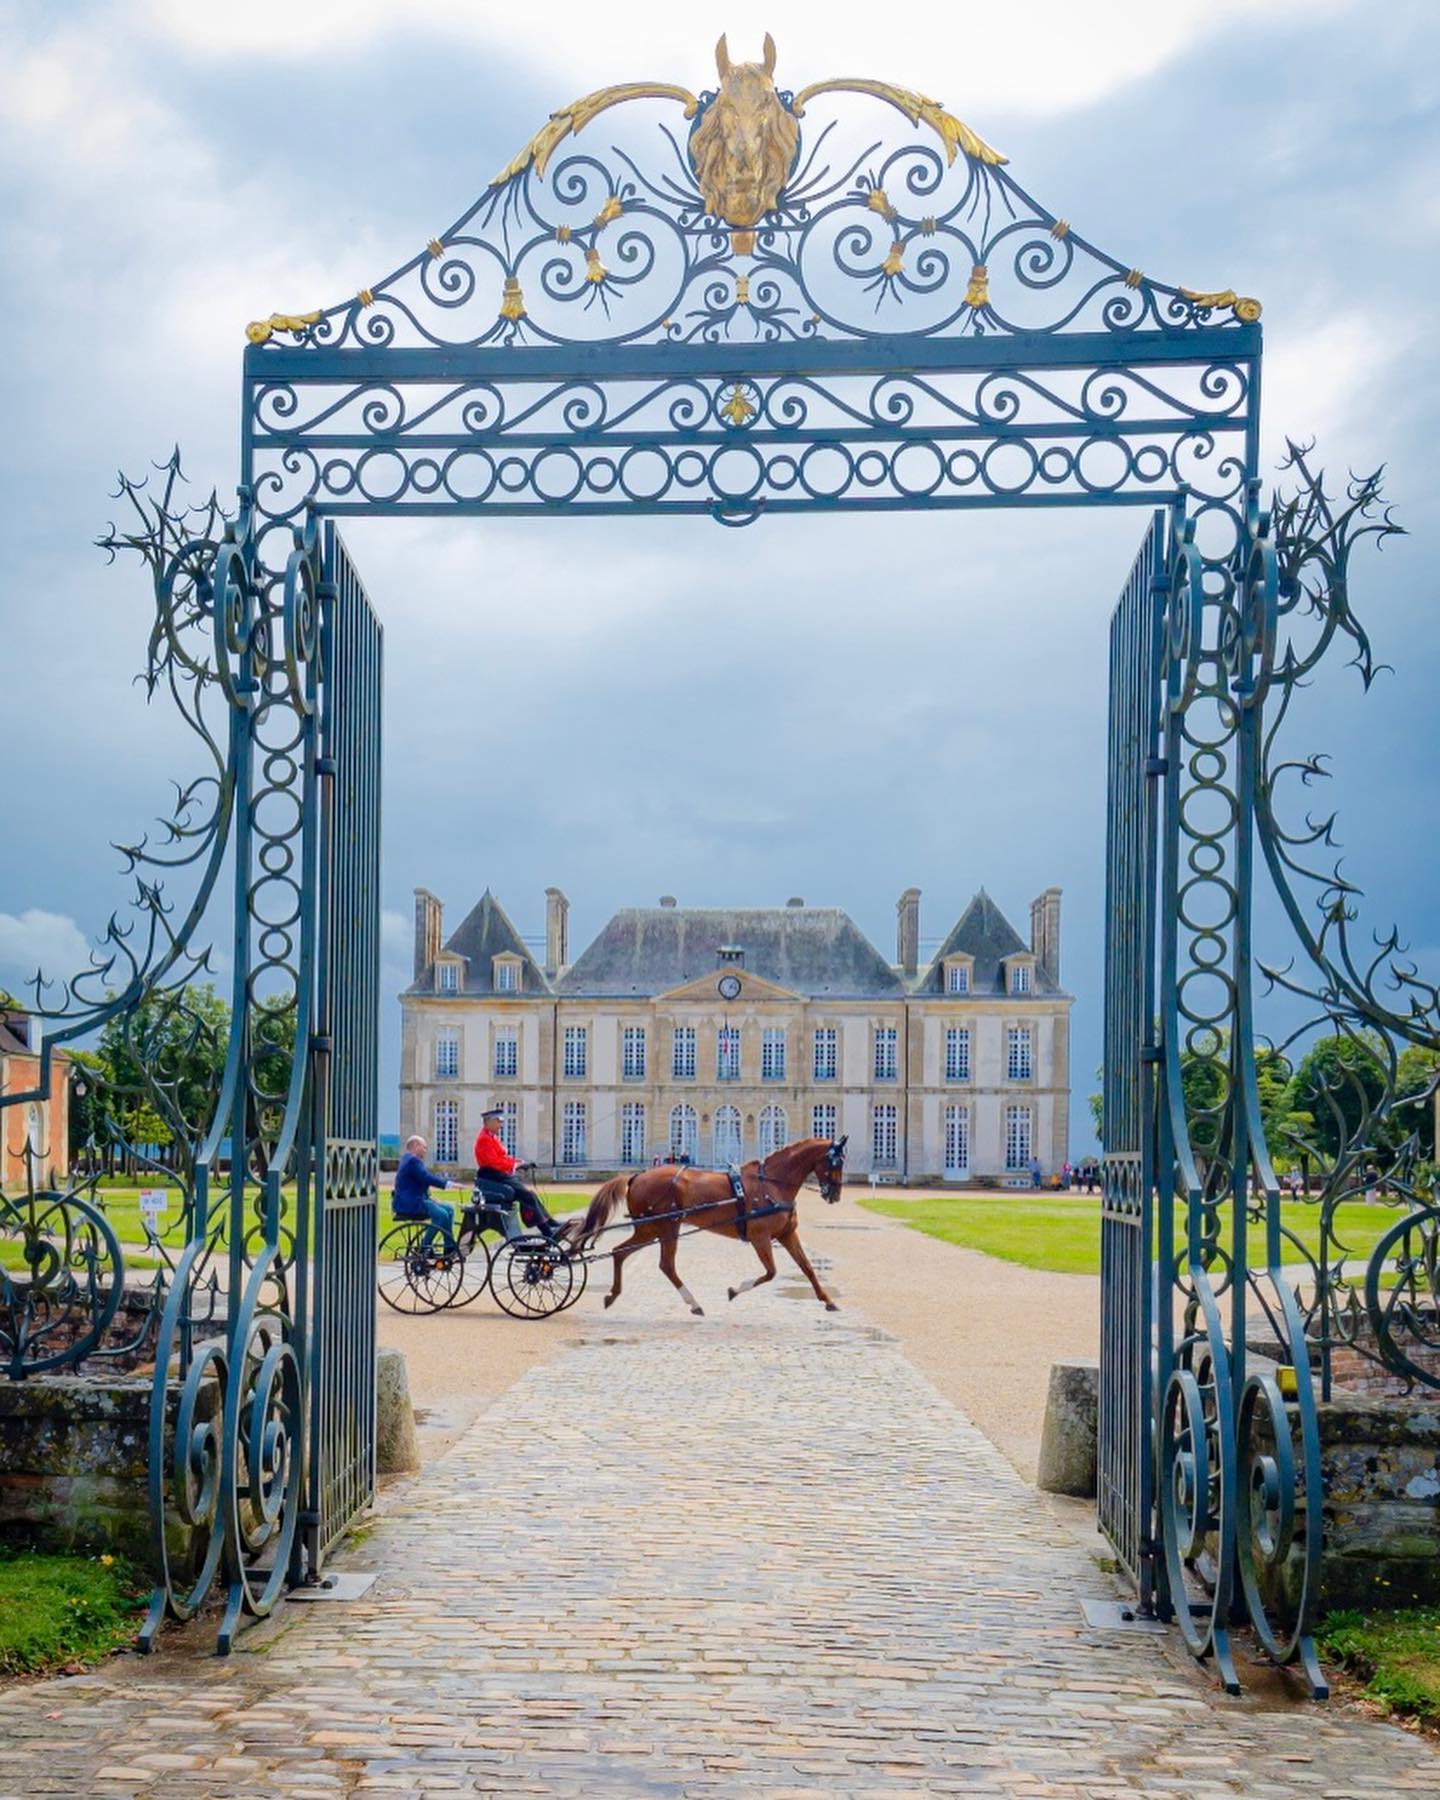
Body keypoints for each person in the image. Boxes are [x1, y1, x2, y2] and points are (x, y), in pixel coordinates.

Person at [473, 1103, 547, 1226]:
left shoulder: (492, 1137)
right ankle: (546, 1229)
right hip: (492, 1175)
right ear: (488, 1122)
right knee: (527, 1195)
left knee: (529, 1195)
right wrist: (516, 1166)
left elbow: (503, 1158)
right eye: (498, 1121)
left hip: (497, 1174)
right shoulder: (484, 1139)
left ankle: (548, 1223)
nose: (501, 1125)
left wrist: (520, 1163)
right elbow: (494, 1162)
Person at [392, 1134, 455, 1256]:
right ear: (415, 1146)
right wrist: (448, 1184)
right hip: (411, 1203)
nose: (426, 1150)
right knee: (441, 1215)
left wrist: (430, 1197)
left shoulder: (408, 1159)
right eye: (424, 1147)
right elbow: (426, 1178)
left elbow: (418, 1181)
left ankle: (449, 1247)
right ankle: (424, 1246)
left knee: (449, 1209)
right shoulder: (413, 1161)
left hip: (415, 1200)